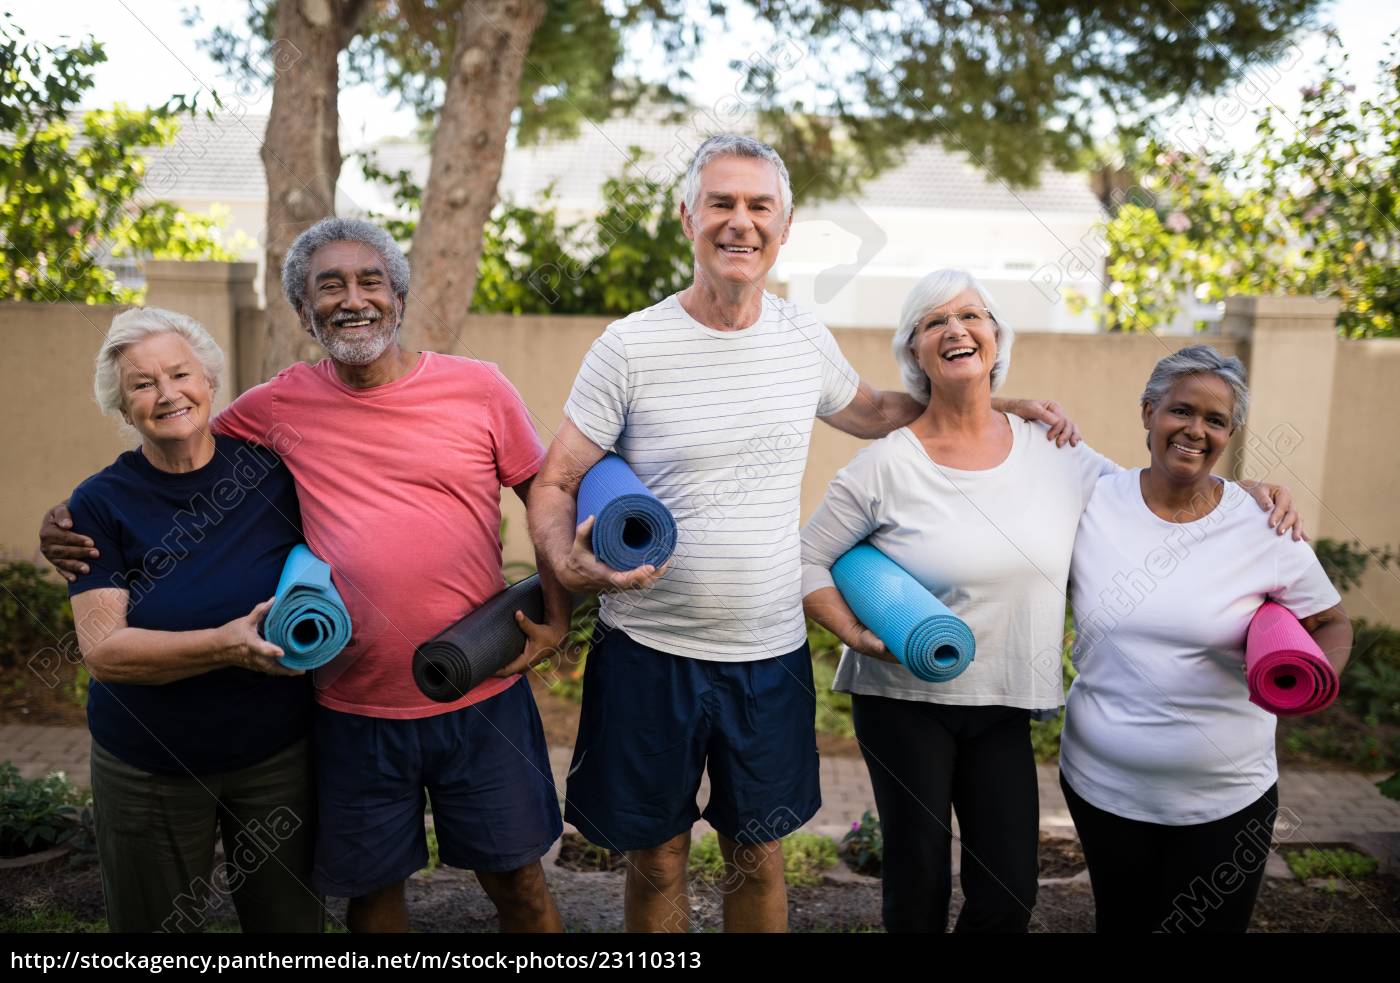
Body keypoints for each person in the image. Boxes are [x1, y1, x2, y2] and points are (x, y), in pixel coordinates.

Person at [528, 136, 1081, 933]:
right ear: (687, 216)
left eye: (760, 207)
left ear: (784, 228)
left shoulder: (801, 337)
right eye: (721, 203)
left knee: (760, 856)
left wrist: (998, 402)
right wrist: (566, 558)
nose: (740, 222)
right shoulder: (630, 345)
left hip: (768, 653)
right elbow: (555, 479)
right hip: (649, 653)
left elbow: (879, 411)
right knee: (657, 859)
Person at [43, 219, 571, 933]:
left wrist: (560, 610)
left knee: (520, 884)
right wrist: (69, 522)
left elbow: (546, 493)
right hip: (350, 707)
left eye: (370, 281)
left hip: (479, 692)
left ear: (398, 296)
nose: (353, 300)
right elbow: (176, 438)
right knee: (373, 897)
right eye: (330, 286)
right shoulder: (274, 407)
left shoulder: (479, 388)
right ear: (303, 311)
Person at [799, 272, 1301, 933]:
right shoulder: (885, 465)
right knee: (917, 882)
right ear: (914, 350)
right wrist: (856, 634)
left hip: (1004, 701)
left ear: (996, 338)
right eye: (934, 321)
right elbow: (808, 558)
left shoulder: (1056, 452)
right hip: (902, 699)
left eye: (972, 315)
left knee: (1007, 893)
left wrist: (1241, 490)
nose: (956, 328)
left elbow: (1146, 495)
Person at [1058, 344, 1351, 933]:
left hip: (1227, 799)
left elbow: (1333, 622)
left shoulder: (1262, 524)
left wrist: (1314, 686)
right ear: (1148, 412)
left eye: (1215, 420)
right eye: (1181, 411)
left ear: (1231, 433)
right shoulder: (1091, 496)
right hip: (1101, 788)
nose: (1196, 430)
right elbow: (996, 428)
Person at [66, 307, 320, 933]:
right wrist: (223, 646)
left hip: (275, 759)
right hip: (149, 766)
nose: (167, 394)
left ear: (209, 383)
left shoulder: (273, 474)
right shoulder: (99, 503)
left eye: (180, 374)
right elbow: (103, 650)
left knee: (289, 931)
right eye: (142, 384)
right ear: (123, 409)